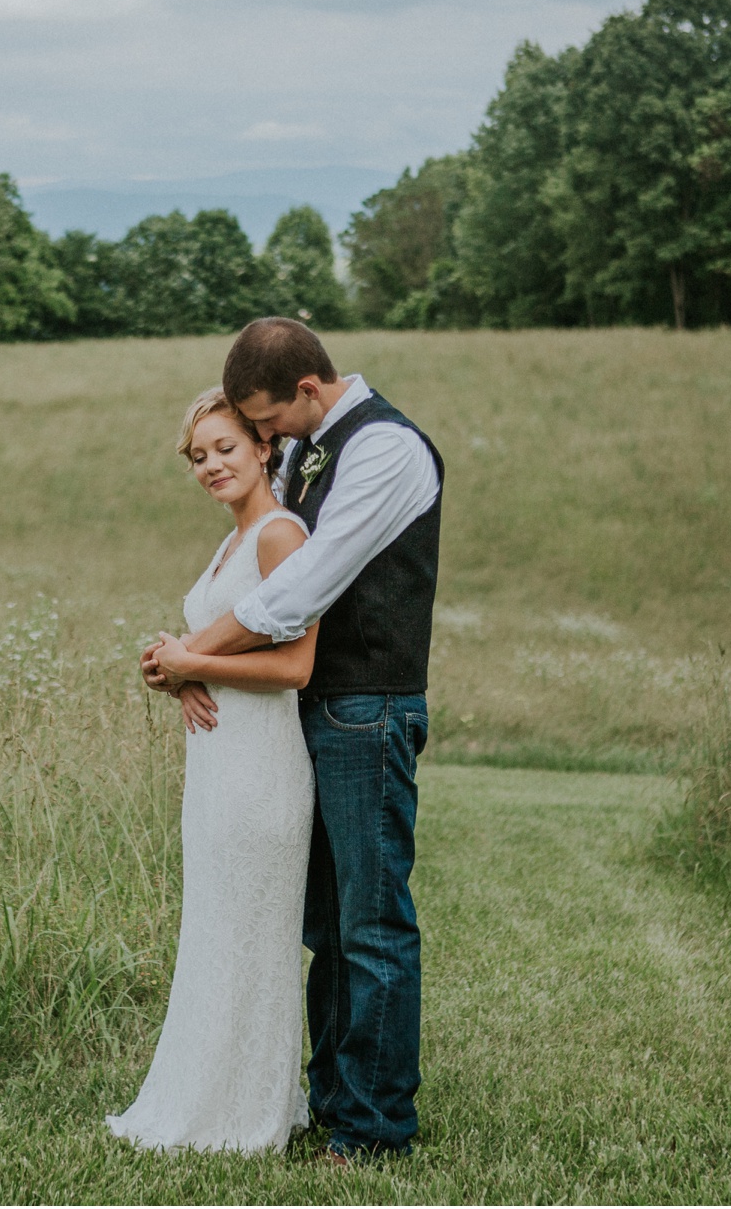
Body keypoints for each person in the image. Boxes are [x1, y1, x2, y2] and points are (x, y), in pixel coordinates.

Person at [147, 317, 443, 1164]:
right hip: (313, 719)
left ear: (308, 391)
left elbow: (302, 592)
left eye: (267, 422)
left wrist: (192, 656)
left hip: (368, 705)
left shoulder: (385, 449)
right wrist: (191, 665)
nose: (265, 441)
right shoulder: (317, 443)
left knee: (372, 923)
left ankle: (374, 1128)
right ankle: (328, 1100)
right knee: (327, 924)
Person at [106, 387, 319, 1154]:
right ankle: (204, 1095)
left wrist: (192, 659)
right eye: (197, 456)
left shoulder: (280, 535)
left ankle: (244, 1114)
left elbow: (296, 664)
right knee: (215, 930)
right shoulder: (232, 541)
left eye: (225, 448)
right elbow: (227, 648)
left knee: (251, 935)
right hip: (217, 765)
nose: (210, 466)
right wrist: (176, 673)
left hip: (262, 768)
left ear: (264, 446)